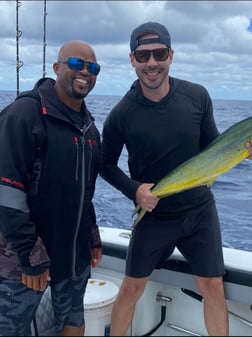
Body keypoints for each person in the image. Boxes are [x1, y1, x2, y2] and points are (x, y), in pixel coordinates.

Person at [99, 22, 252, 336]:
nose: (151, 63)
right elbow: (104, 165)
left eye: (159, 53)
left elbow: (214, 149)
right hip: (154, 216)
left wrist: (243, 152)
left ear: (171, 56)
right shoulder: (121, 114)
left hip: (199, 213)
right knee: (130, 289)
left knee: (212, 286)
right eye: (143, 56)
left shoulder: (197, 96)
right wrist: (134, 191)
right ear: (132, 60)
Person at [0, 40, 102, 336]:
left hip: (73, 258)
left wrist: (92, 234)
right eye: (75, 64)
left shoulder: (90, 129)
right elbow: (7, 193)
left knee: (73, 321)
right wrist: (32, 256)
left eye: (92, 67)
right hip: (22, 260)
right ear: (57, 68)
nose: (85, 71)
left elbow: (85, 192)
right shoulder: (24, 114)